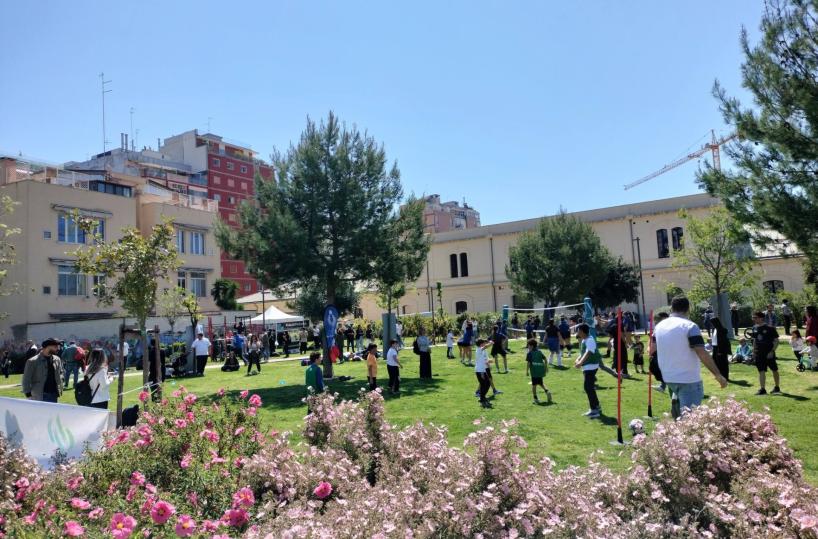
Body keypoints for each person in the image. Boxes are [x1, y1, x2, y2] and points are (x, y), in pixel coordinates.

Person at [654, 296, 728, 418]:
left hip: (668, 377)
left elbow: (652, 349)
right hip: (688, 379)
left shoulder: (659, 326)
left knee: (679, 419)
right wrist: (718, 375)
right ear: (688, 309)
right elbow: (701, 352)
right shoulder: (690, 326)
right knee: (689, 422)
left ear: (671, 308)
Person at [21, 338, 64, 402]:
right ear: (48, 347)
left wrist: (61, 380)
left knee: (52, 412)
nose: (58, 349)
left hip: (54, 394)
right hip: (40, 395)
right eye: (55, 347)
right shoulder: (32, 361)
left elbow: (61, 372)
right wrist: (28, 395)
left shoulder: (57, 359)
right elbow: (26, 379)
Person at [574, 323, 601, 418]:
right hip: (588, 366)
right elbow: (583, 352)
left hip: (591, 366)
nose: (577, 332)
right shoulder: (584, 340)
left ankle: (595, 410)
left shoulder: (589, 340)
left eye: (578, 330)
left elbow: (589, 352)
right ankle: (596, 406)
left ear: (581, 331)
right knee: (589, 387)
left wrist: (580, 362)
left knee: (588, 387)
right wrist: (578, 359)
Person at [751, 311, 781, 395]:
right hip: (759, 353)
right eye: (753, 317)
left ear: (761, 318)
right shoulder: (754, 327)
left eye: (755, 317)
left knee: (774, 370)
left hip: (769, 353)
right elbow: (754, 340)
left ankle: (777, 387)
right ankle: (762, 389)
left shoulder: (770, 328)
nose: (754, 319)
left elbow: (776, 341)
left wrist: (772, 351)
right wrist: (753, 352)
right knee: (761, 370)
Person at [525, 338, 552, 404]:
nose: (528, 347)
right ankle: (547, 391)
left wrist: (527, 371)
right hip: (540, 371)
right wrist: (546, 368)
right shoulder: (539, 352)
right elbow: (545, 359)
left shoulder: (529, 353)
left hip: (534, 372)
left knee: (534, 385)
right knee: (540, 383)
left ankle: (535, 399)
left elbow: (528, 363)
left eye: (528, 345)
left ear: (531, 346)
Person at [650, 312, 670, 392]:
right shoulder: (661, 327)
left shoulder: (660, 327)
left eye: (658, 319)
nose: (656, 321)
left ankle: (664, 386)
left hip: (663, 351)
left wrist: (652, 353)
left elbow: (654, 342)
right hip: (665, 351)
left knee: (660, 368)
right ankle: (663, 386)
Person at [474, 338, 493, 409]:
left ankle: (482, 398)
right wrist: (491, 343)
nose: (484, 344)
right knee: (486, 384)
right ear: (481, 344)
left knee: (484, 384)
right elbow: (485, 346)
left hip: (481, 370)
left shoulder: (480, 350)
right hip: (480, 371)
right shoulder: (479, 349)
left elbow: (482, 360)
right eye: (483, 343)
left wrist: (488, 362)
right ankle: (482, 398)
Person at [711, 317, 731, 381]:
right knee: (715, 362)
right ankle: (719, 375)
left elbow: (722, 341)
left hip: (721, 348)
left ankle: (725, 376)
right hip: (715, 347)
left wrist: (720, 350)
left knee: (723, 363)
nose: (712, 324)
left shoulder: (721, 330)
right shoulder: (715, 329)